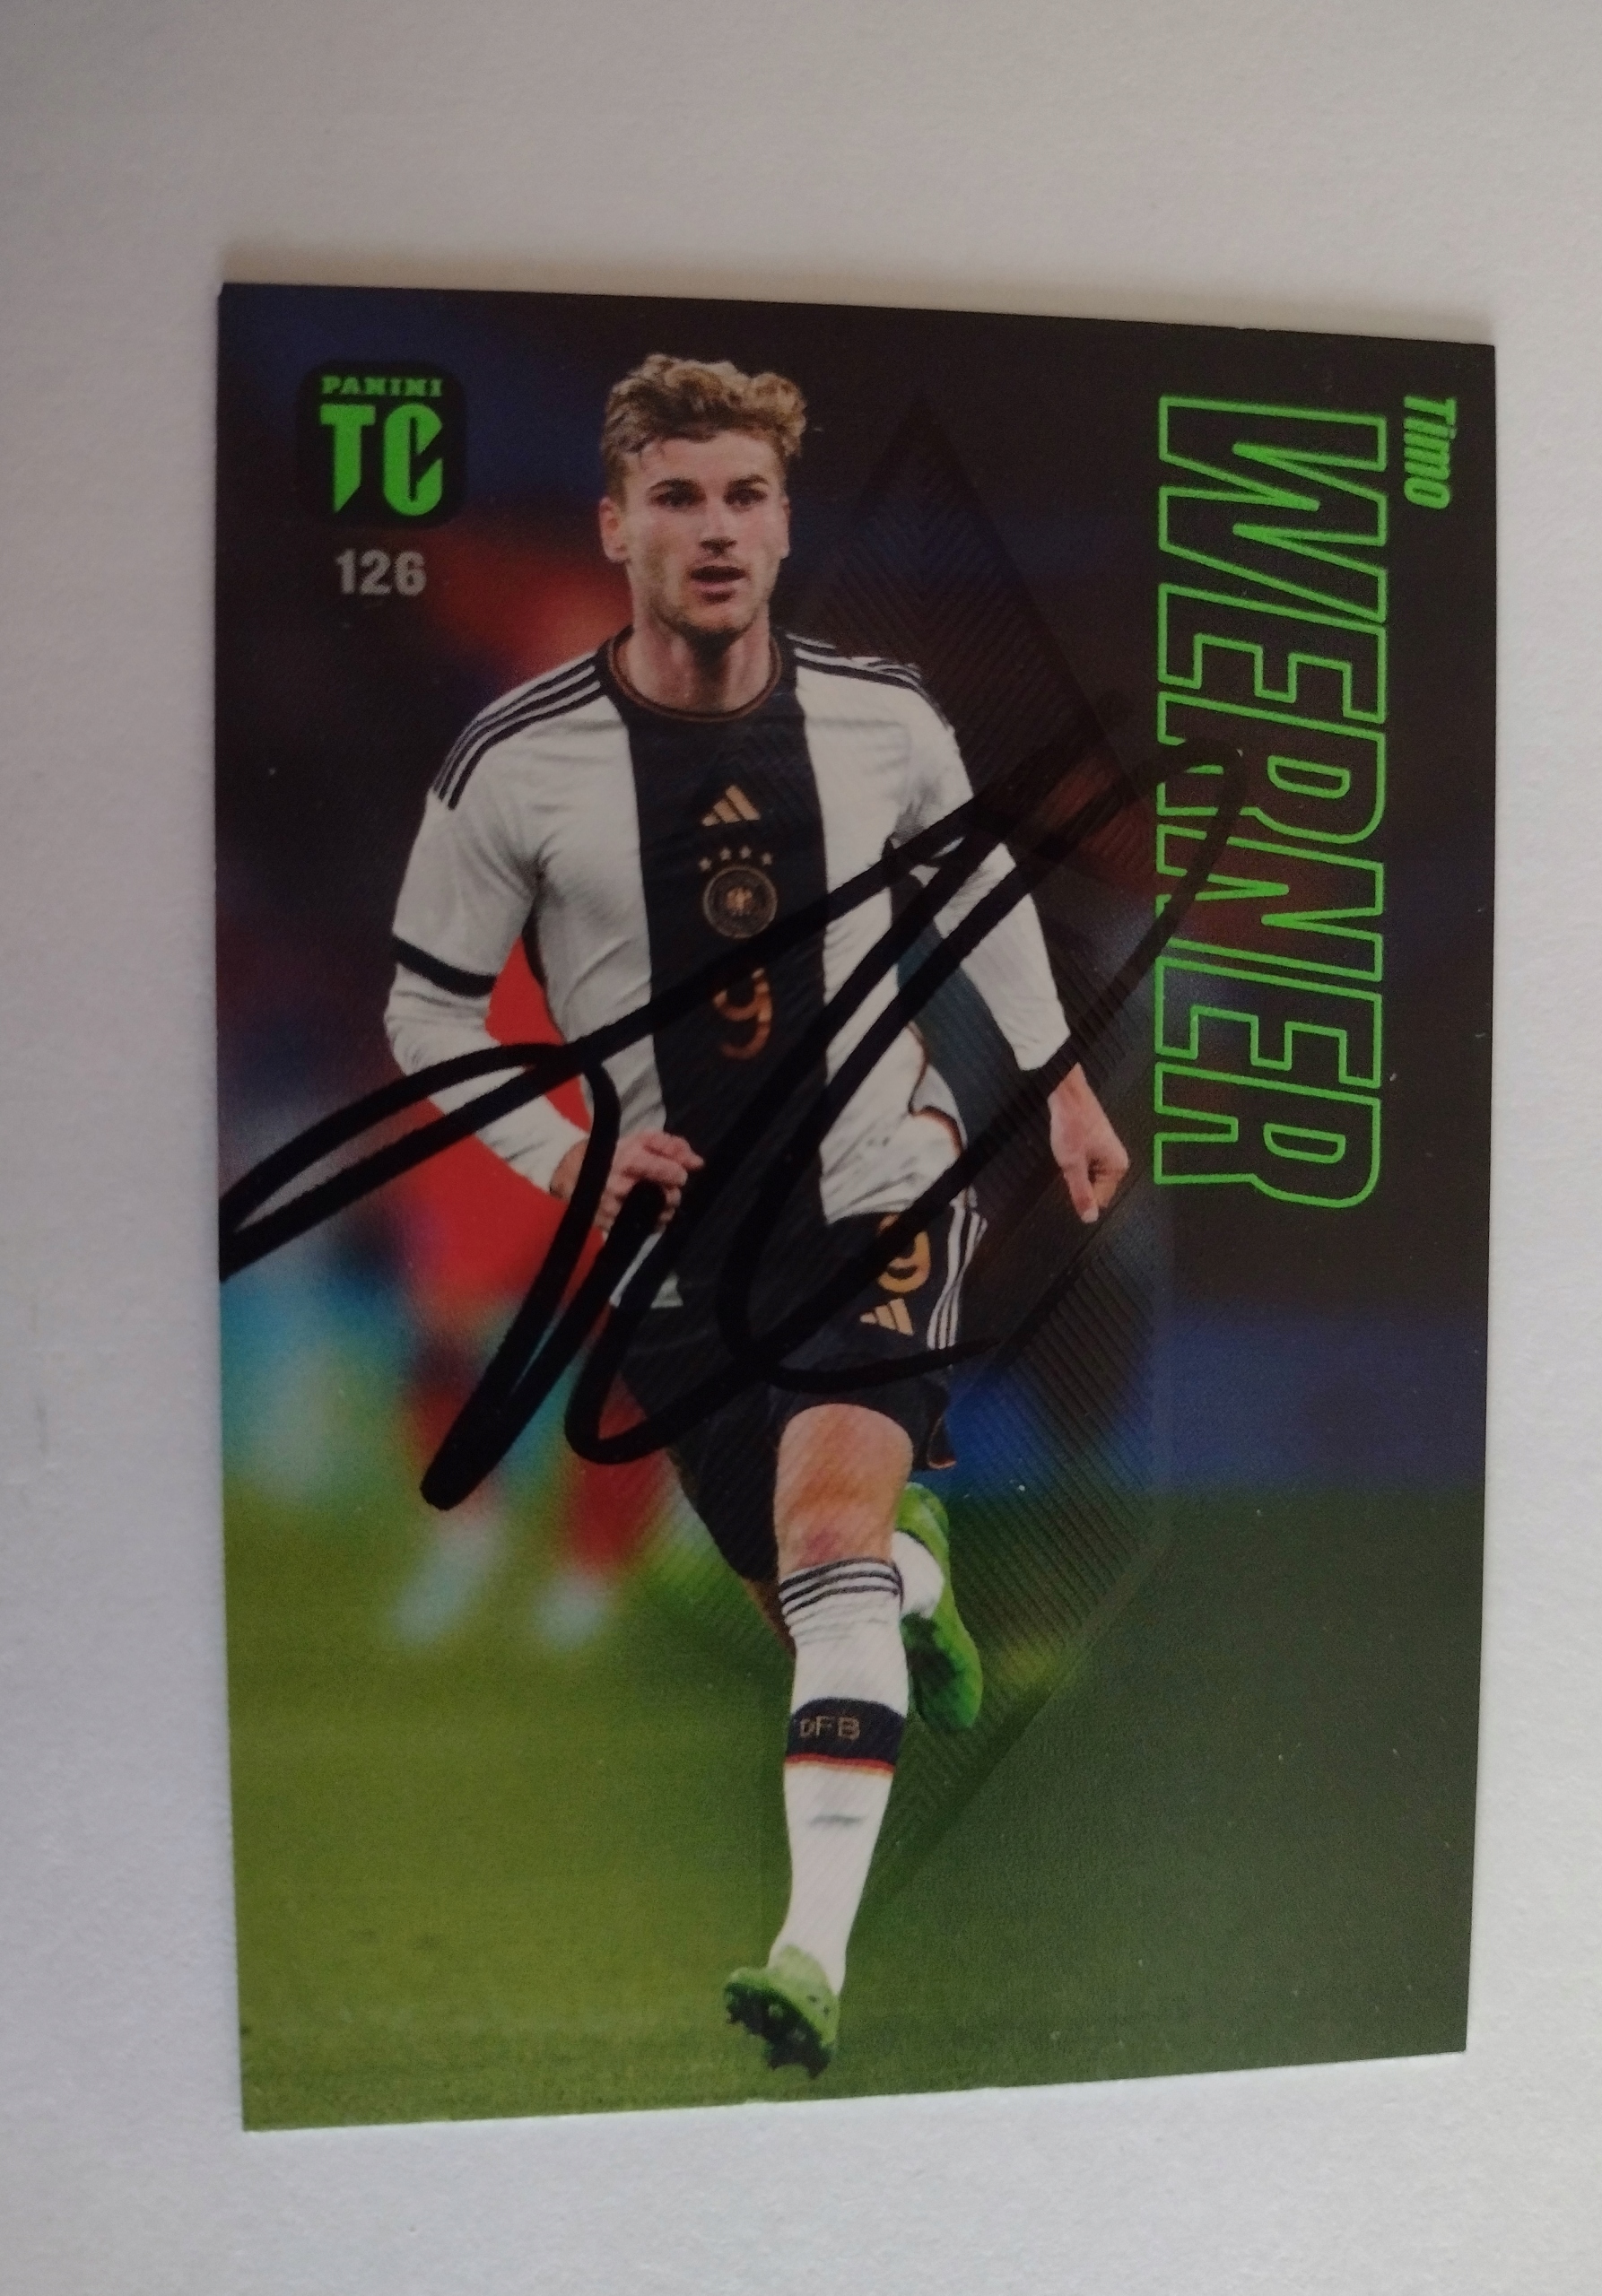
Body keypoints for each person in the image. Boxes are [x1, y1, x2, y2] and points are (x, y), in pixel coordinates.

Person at [384, 354, 1128, 2074]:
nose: (715, 529)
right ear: (617, 525)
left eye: (746, 496)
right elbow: (425, 1009)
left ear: (784, 524)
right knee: (812, 1585)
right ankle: (915, 1577)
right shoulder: (515, 762)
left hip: (878, 1187)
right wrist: (562, 1155)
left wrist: (1064, 1082)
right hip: (671, 1257)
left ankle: (809, 1955)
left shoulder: (884, 718)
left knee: (820, 1544)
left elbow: (982, 887)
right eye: (678, 497)